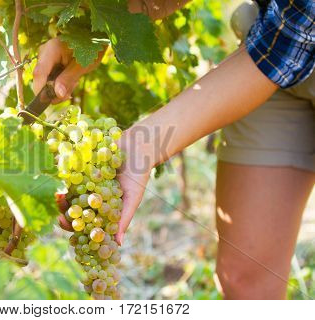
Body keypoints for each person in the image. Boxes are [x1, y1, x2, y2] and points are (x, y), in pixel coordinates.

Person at [35, 0, 315, 299]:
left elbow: (291, 40)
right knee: (243, 278)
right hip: (270, 40)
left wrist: (145, 143)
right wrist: (94, 30)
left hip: (281, 45)